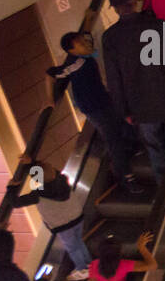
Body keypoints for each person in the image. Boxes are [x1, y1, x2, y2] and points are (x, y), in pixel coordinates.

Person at [104, 0, 165, 185]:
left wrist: (123, 110)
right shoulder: (160, 25)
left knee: (154, 146)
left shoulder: (111, 38)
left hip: (140, 106)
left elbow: (114, 80)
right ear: (134, 2)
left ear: (115, 9)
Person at [50, 32, 140, 195]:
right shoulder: (76, 63)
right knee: (113, 139)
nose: (86, 43)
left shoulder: (86, 57)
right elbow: (50, 74)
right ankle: (126, 177)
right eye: (81, 43)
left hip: (104, 101)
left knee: (123, 126)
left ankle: (131, 151)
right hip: (94, 108)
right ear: (72, 50)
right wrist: (49, 99)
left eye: (84, 41)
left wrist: (90, 17)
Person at [8, 160, 91, 281]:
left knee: (72, 247)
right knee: (78, 241)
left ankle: (82, 268)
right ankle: (89, 264)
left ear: (37, 180)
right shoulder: (62, 179)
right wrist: (32, 163)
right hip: (77, 216)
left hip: (63, 225)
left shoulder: (37, 195)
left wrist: (11, 188)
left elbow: (15, 203)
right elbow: (52, 172)